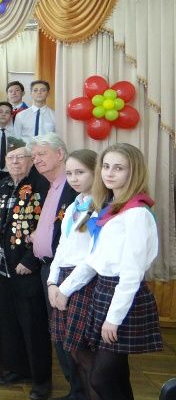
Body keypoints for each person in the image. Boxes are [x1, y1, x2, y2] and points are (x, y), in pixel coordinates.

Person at [53, 143, 162, 400]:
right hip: (103, 291)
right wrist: (64, 289)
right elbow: (94, 259)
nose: (109, 173)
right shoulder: (112, 207)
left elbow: (132, 274)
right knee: (116, 375)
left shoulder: (136, 213)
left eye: (118, 168)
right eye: (106, 166)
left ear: (133, 172)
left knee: (100, 377)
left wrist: (113, 318)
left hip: (122, 296)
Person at [0, 137, 52, 399]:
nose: (15, 162)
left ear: (31, 160)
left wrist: (31, 260)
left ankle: (41, 380)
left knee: (33, 325)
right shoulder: (3, 185)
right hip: (3, 266)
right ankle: (16, 369)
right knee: (9, 322)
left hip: (28, 267)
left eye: (21, 157)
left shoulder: (42, 185)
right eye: (11, 158)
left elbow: (47, 228)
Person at [28, 133, 81, 400]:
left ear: (60, 154)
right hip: (47, 269)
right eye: (34, 156)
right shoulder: (50, 185)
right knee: (58, 333)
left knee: (67, 335)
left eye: (42, 154)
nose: (36, 160)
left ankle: (80, 391)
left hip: (66, 272)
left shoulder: (71, 187)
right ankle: (76, 390)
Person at [45, 149, 99, 400]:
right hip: (63, 279)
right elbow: (62, 247)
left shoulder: (101, 208)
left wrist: (65, 288)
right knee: (72, 351)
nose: (74, 178)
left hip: (84, 281)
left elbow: (94, 257)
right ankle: (79, 394)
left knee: (85, 352)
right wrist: (52, 282)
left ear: (95, 172)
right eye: (69, 173)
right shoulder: (73, 206)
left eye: (80, 172)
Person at [0, 101, 15, 185]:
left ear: (11, 116)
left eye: (7, 112)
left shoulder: (15, 133)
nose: (3, 114)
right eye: (0, 112)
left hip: (9, 172)